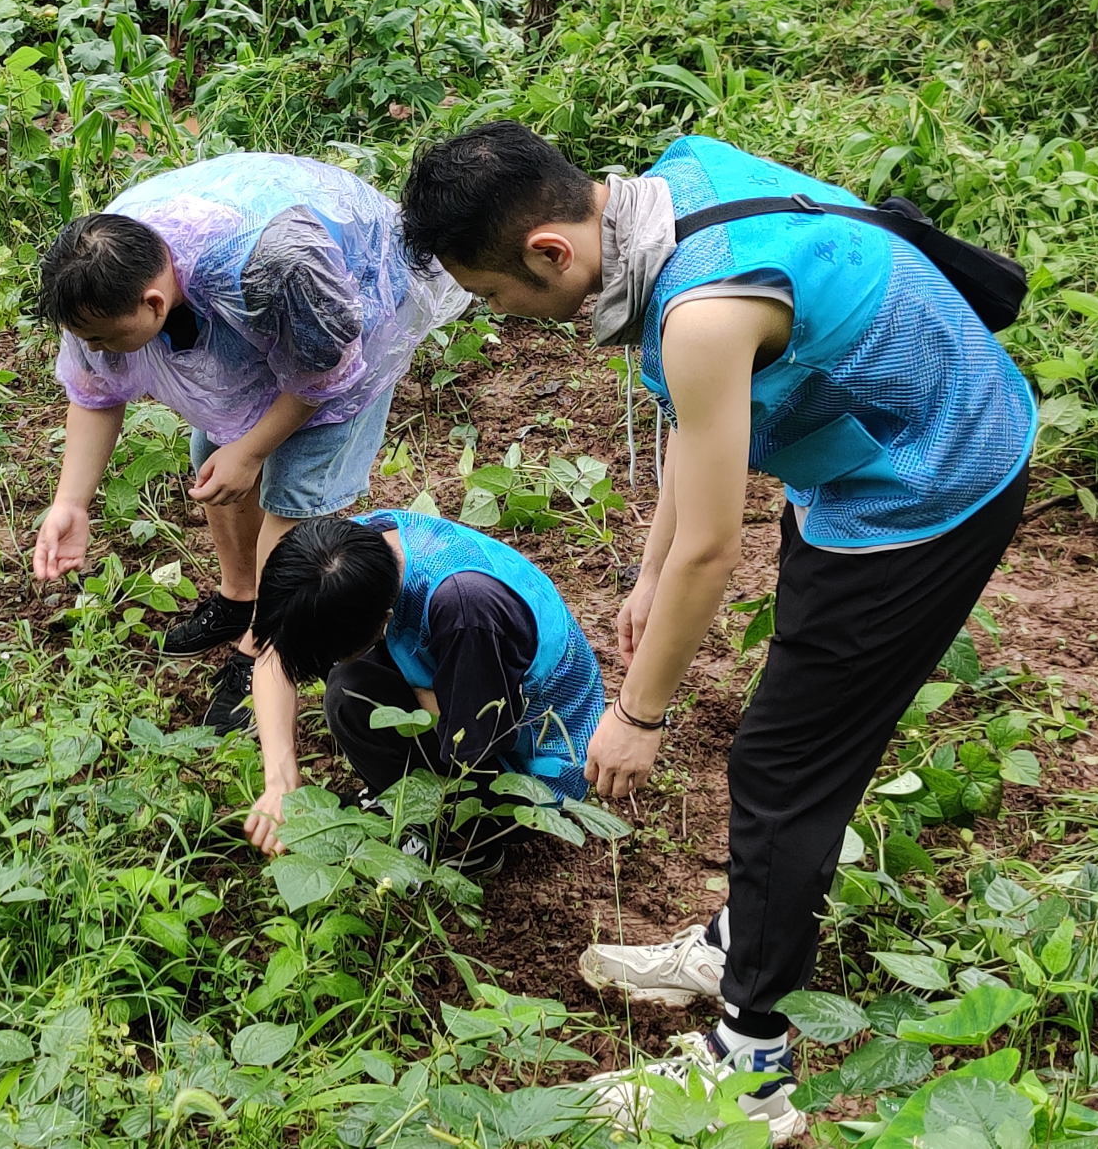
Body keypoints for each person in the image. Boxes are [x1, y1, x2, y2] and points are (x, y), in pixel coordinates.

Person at [398, 123, 1034, 1143]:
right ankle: (744, 940)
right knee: (795, 748)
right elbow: (707, 448)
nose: (507, 319)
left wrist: (636, 713)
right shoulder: (671, 187)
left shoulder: (699, 314)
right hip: (870, 447)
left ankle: (752, 1066)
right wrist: (646, 574)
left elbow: (711, 552)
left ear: (550, 252)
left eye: (494, 296)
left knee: (781, 771)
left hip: (929, 487)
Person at [29, 153, 468, 733]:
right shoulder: (99, 274)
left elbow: (330, 370)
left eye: (105, 337)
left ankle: (269, 647)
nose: (98, 346)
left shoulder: (274, 266)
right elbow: (95, 389)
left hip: (345, 308)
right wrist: (70, 504)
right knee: (212, 463)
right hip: (245, 305)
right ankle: (239, 599)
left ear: (153, 304)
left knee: (297, 496)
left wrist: (254, 449)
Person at [242, 510, 605, 876]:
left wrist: (408, 696)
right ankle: (408, 802)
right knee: (352, 682)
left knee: (351, 695)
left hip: (534, 771)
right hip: (469, 670)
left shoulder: (464, 610)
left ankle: (463, 841)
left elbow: (471, 747)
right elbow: (273, 652)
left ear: (384, 622)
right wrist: (281, 777)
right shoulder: (345, 553)